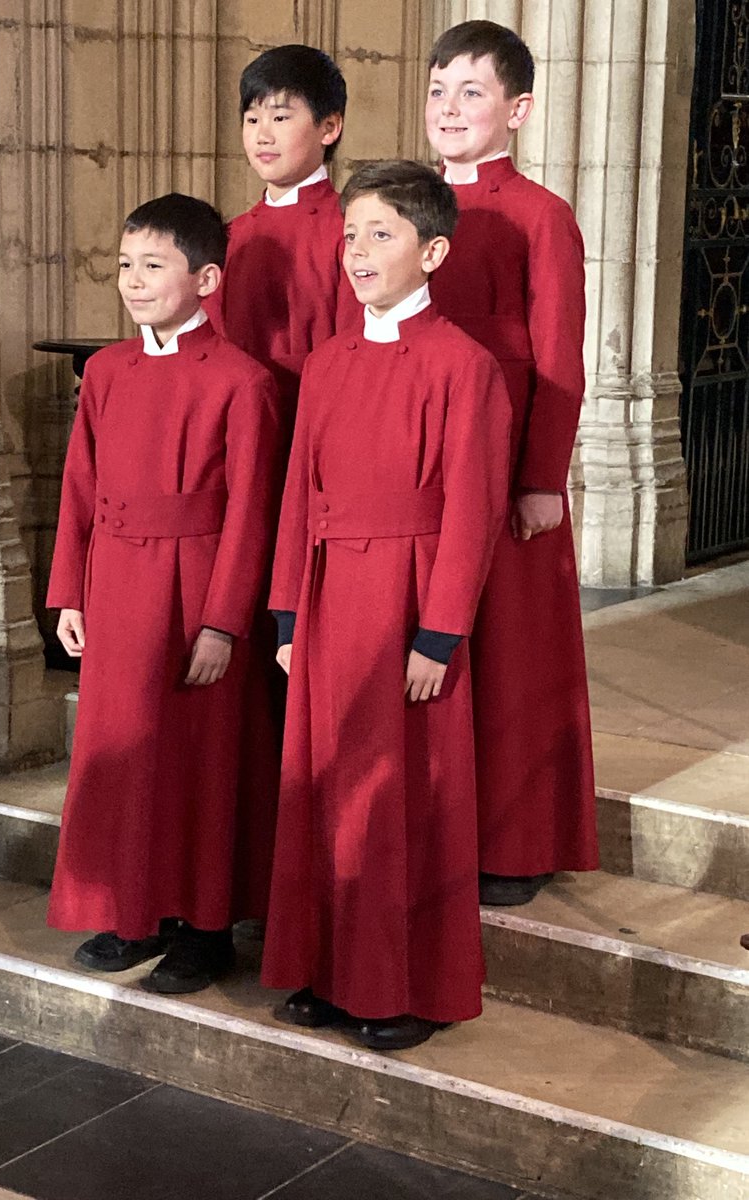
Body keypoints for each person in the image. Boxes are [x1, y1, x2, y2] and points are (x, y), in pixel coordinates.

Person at [262, 161, 511, 1051]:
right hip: (329, 601)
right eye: (352, 233)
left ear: (433, 251)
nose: (357, 252)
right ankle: (332, 973)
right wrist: (288, 611)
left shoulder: (464, 366)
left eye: (382, 235)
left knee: (407, 803)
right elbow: (298, 492)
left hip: (409, 604)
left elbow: (474, 510)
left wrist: (439, 634)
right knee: (330, 795)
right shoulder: (326, 362)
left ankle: (411, 988)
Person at [46, 194, 282, 993]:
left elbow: (253, 512)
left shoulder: (244, 381)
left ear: (206, 277)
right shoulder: (106, 371)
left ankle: (205, 929)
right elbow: (79, 486)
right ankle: (133, 907)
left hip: (194, 589)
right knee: (123, 753)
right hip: (114, 581)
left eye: (154, 266)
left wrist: (222, 623)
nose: (134, 281)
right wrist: (69, 592)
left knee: (198, 761)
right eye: (124, 265)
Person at [425, 20, 599, 906]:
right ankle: (441, 825)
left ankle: (518, 843)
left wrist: (542, 477)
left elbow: (561, 358)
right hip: (425, 467)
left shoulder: (542, 216)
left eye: (473, 92)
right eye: (438, 91)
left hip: (509, 470)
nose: (450, 109)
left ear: (518, 110)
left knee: (514, 663)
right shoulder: (408, 210)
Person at [204, 43, 356, 425]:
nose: (262, 136)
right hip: (235, 422)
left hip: (319, 418)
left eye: (281, 118)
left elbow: (357, 348)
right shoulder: (230, 234)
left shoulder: (351, 228)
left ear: (330, 127)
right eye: (252, 120)